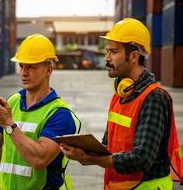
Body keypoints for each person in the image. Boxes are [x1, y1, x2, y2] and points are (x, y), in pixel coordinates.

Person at [60, 18, 183, 189]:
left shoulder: (154, 98)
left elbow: (141, 159)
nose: (107, 58)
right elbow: (107, 146)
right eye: (107, 51)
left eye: (113, 52)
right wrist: (83, 150)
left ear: (133, 56)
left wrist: (89, 158)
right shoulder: (120, 94)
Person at [0, 34, 81, 190]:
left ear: (48, 70)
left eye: (31, 67)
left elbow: (39, 159)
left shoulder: (60, 114)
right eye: (22, 66)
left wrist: (8, 124)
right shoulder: (14, 101)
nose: (24, 72)